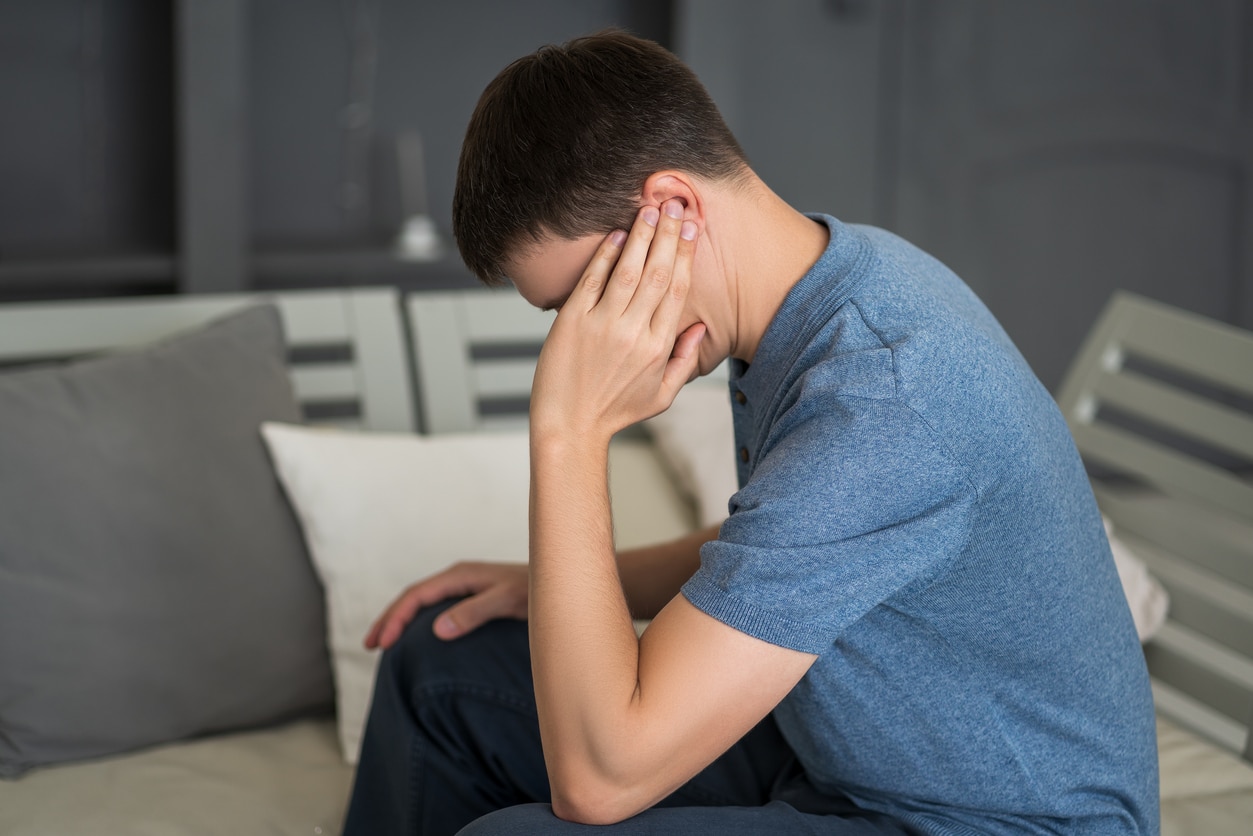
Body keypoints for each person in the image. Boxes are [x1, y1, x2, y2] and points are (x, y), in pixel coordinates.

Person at [341, 29, 1158, 836]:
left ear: (673, 212)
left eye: (574, 303)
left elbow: (598, 783)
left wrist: (566, 430)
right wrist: (551, 583)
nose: (575, 341)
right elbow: (784, 547)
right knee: (435, 666)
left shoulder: (885, 396)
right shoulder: (827, 278)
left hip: (984, 821)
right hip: (848, 753)